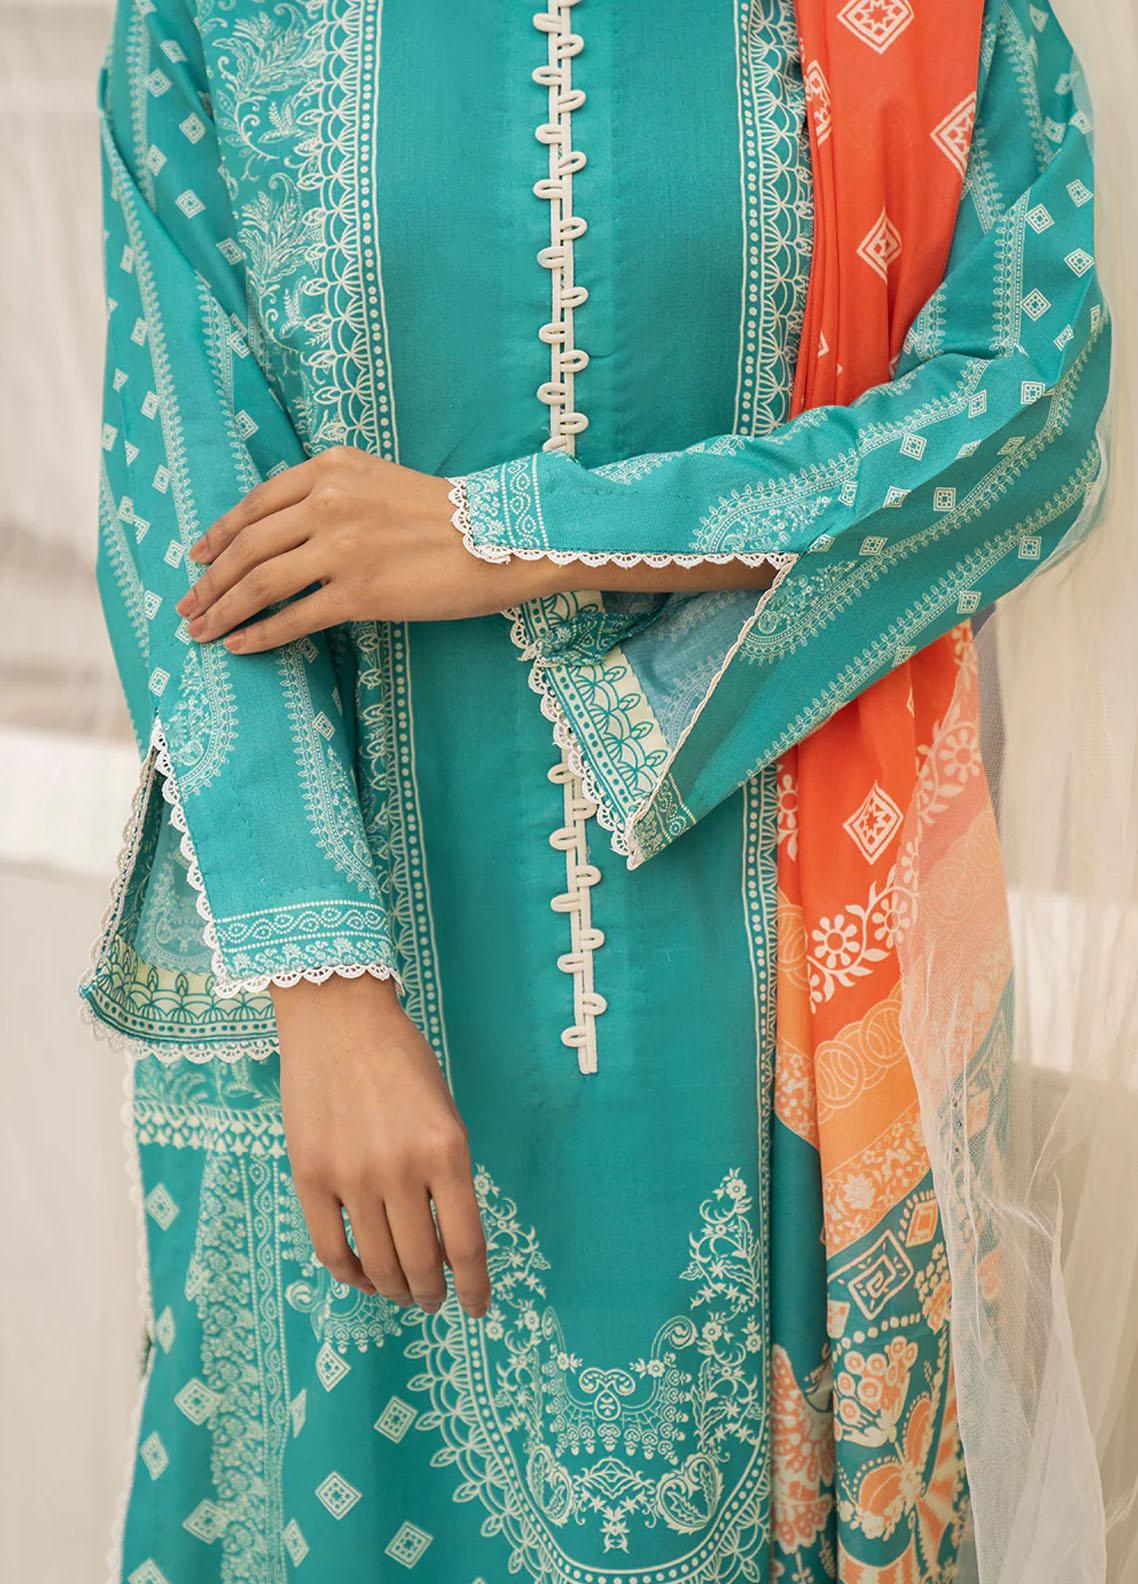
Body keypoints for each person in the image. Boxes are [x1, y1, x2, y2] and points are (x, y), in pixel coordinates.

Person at [81, 0, 1109, 1578]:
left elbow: (1027, 413)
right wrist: (323, 993)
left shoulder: (919, 22)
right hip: (340, 999)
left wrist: (512, 532)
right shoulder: (215, 21)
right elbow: (185, 497)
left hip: (772, 998)